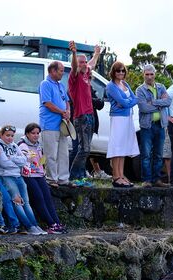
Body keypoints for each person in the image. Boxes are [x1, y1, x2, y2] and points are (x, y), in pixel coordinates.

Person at [0, 124, 47, 235]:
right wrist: (18, 162)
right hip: (7, 176)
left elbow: (25, 159)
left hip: (18, 176)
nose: (10, 138)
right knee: (17, 202)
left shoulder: (14, 145)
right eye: (7, 135)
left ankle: (34, 225)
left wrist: (12, 159)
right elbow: (3, 163)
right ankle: (28, 226)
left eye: (12, 135)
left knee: (26, 202)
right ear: (1, 134)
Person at [18, 122, 66, 233]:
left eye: (37, 133)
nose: (35, 135)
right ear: (27, 134)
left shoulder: (38, 145)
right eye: (33, 133)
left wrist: (42, 168)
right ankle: (50, 224)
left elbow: (41, 160)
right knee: (39, 198)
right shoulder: (22, 145)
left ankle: (57, 222)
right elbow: (24, 161)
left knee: (48, 198)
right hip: (28, 175)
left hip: (39, 174)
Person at [67, 40, 101, 185]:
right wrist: (74, 53)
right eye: (81, 62)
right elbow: (75, 66)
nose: (83, 64)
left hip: (90, 115)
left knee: (86, 150)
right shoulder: (73, 77)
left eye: (84, 62)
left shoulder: (86, 73)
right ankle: (73, 176)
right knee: (83, 148)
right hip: (80, 117)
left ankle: (80, 176)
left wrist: (97, 54)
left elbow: (91, 63)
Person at [136, 64, 171, 188]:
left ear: (155, 75)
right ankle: (147, 180)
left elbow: (168, 101)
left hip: (160, 125)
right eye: (147, 74)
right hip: (147, 126)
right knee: (146, 154)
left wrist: (154, 102)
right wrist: (160, 104)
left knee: (158, 154)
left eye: (151, 74)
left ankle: (157, 179)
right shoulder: (140, 90)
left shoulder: (161, 87)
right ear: (143, 75)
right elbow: (144, 108)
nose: (149, 77)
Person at [106, 61, 139, 188]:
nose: (120, 73)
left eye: (122, 71)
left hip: (127, 118)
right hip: (118, 118)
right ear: (113, 72)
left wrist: (127, 102)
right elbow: (124, 102)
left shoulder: (124, 84)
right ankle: (116, 177)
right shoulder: (111, 86)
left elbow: (134, 99)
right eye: (118, 71)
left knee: (124, 147)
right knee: (117, 147)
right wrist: (126, 102)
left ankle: (121, 175)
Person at [38, 61, 71, 186]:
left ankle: (63, 179)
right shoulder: (45, 84)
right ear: (52, 71)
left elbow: (67, 101)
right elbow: (47, 103)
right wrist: (63, 112)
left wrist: (68, 112)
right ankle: (52, 178)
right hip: (49, 124)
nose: (62, 73)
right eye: (61, 71)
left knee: (63, 153)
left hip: (62, 124)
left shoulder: (60, 85)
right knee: (50, 154)